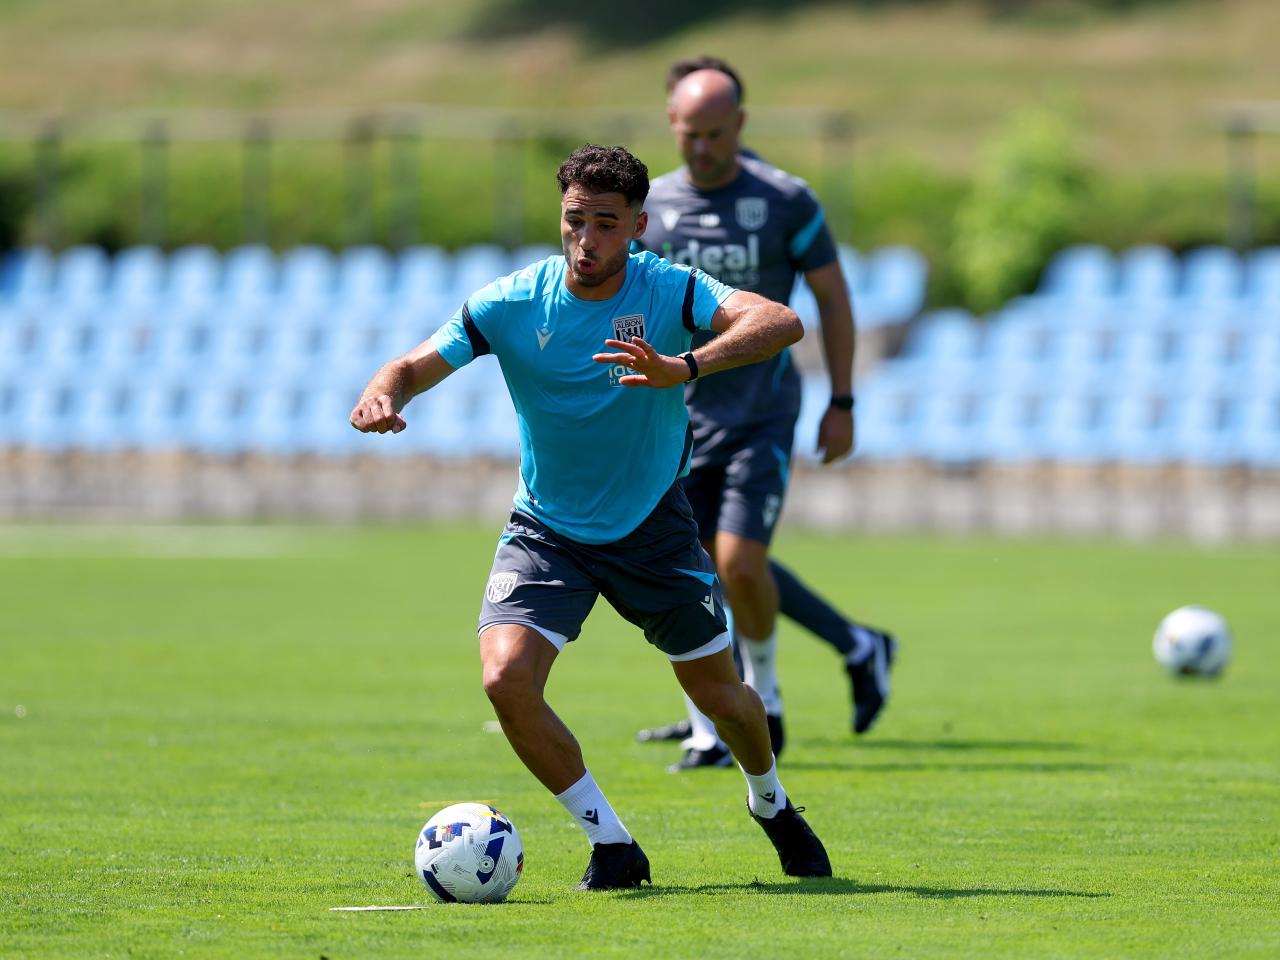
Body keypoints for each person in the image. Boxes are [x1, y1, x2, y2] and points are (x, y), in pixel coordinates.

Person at [350, 144, 831, 889]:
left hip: (653, 528)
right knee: (506, 678)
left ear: (638, 225)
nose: (587, 239)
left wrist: (685, 366)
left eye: (606, 224)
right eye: (575, 220)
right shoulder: (512, 301)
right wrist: (386, 394)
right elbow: (412, 364)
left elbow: (781, 321)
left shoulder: (669, 291)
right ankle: (612, 844)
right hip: (548, 530)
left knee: (725, 701)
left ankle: (772, 804)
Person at [633, 57, 897, 771]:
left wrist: (842, 402)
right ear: (671, 124)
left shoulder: (785, 200)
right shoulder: (647, 208)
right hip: (675, 421)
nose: (703, 147)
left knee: (740, 565)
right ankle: (714, 719)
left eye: (717, 133)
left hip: (760, 413)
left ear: (740, 125)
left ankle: (767, 700)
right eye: (691, 133)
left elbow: (833, 299)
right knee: (689, 573)